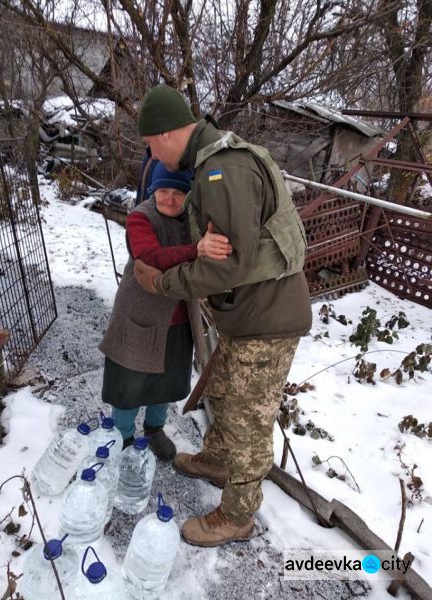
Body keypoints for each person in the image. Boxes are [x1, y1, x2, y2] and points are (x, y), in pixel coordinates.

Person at [133, 85, 313, 546]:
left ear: (168, 133)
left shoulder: (220, 170)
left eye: (150, 144)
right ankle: (216, 460)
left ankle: (238, 516)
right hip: (249, 314)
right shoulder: (211, 160)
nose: (150, 153)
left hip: (267, 320)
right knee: (227, 395)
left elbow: (226, 265)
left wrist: (162, 283)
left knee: (250, 421)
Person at [99, 160, 232, 461]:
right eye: (163, 190)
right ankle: (123, 435)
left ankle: (154, 429)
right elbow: (150, 256)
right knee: (129, 382)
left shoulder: (192, 219)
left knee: (166, 381)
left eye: (178, 192)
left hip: (178, 317)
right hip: (140, 315)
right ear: (152, 189)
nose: (169, 198)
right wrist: (196, 250)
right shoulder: (140, 218)